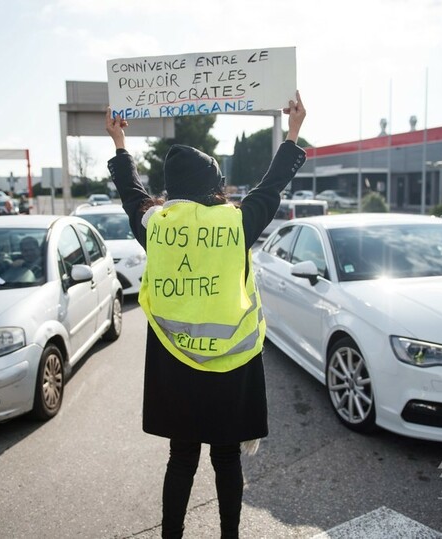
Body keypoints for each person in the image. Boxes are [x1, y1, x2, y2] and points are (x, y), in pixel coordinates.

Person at [105, 91, 307, 538]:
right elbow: (269, 188)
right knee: (227, 458)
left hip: (176, 366)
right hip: (232, 364)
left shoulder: (155, 226)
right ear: (214, 185)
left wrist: (120, 144)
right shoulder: (236, 223)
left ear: (173, 188)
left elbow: (130, 194)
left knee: (181, 459)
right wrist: (291, 134)